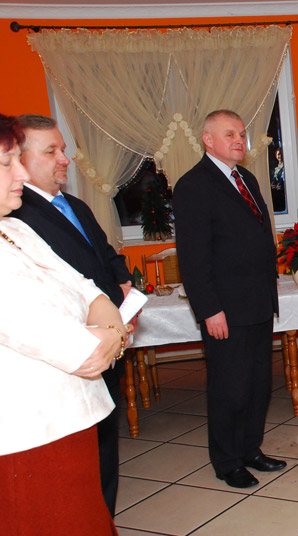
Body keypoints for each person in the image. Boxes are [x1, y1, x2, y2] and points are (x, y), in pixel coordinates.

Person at [0, 113, 129, 535]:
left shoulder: (15, 230)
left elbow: (90, 291)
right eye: (7, 163)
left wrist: (105, 328)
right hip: (29, 439)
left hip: (74, 423)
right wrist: (113, 332)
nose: (21, 173)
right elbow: (84, 353)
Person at [172, 109, 286, 489]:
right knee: (229, 388)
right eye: (229, 134)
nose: (239, 140)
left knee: (257, 384)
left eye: (241, 134)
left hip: (257, 302)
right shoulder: (194, 185)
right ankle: (227, 461)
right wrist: (210, 310)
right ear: (208, 140)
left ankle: (250, 449)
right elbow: (193, 258)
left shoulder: (247, 179)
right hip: (225, 308)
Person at [271, 146, 286, 213]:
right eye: (277, 154)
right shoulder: (275, 168)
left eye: (280, 154)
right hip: (275, 195)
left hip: (282, 195)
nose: (279, 156)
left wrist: (282, 186)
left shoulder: (285, 167)